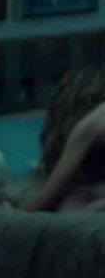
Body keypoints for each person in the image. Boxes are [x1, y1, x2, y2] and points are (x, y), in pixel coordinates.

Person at [22, 66, 105, 214]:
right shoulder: (93, 125)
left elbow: (44, 200)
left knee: (70, 204)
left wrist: (10, 213)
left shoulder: (90, 125)